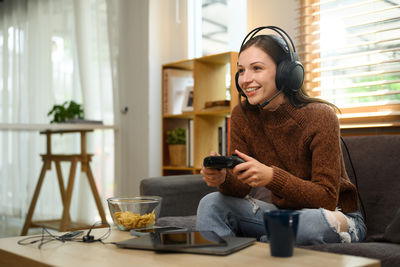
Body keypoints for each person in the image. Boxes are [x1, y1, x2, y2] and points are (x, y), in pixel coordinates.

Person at [196, 26, 367, 245]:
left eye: (256, 68)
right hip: (282, 215)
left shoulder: (321, 116)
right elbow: (239, 189)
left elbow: (326, 197)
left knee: (306, 223)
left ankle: (266, 245)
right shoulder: (243, 115)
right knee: (211, 203)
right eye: (241, 70)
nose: (245, 79)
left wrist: (271, 177)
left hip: (335, 216)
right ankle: (234, 256)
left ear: (287, 73)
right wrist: (223, 178)